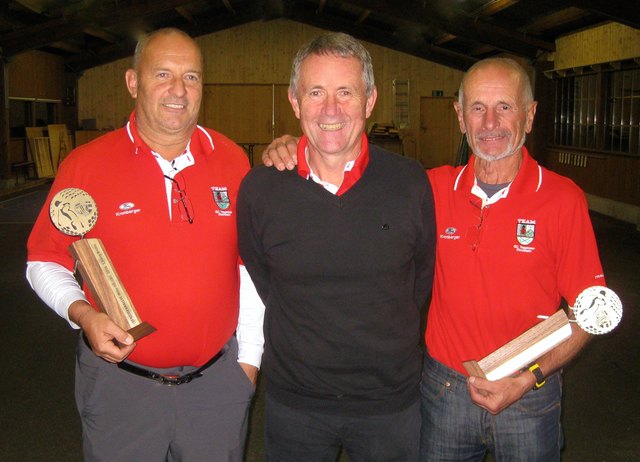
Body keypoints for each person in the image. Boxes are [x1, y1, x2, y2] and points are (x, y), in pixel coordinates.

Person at [261, 57, 606, 461]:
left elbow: (592, 312)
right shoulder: (428, 188)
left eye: (505, 107)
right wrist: (291, 145)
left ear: (529, 116)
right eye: (477, 108)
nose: (490, 122)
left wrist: (529, 378)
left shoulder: (563, 199)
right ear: (460, 117)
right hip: (444, 393)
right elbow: (348, 176)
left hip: (528, 396)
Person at [26, 28, 264, 461]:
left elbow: (248, 268)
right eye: (163, 74)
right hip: (120, 388)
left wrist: (248, 362)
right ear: (133, 82)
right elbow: (44, 260)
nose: (178, 90)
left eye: (191, 77)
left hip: (216, 388)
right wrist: (82, 314)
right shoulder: (86, 165)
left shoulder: (232, 160)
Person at [237, 32, 436, 462]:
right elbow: (262, 277)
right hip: (295, 404)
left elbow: (419, 283)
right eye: (316, 92)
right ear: (295, 101)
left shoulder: (410, 183)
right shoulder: (261, 188)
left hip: (390, 404)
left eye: (345, 92)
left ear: (369, 101)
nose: (330, 110)